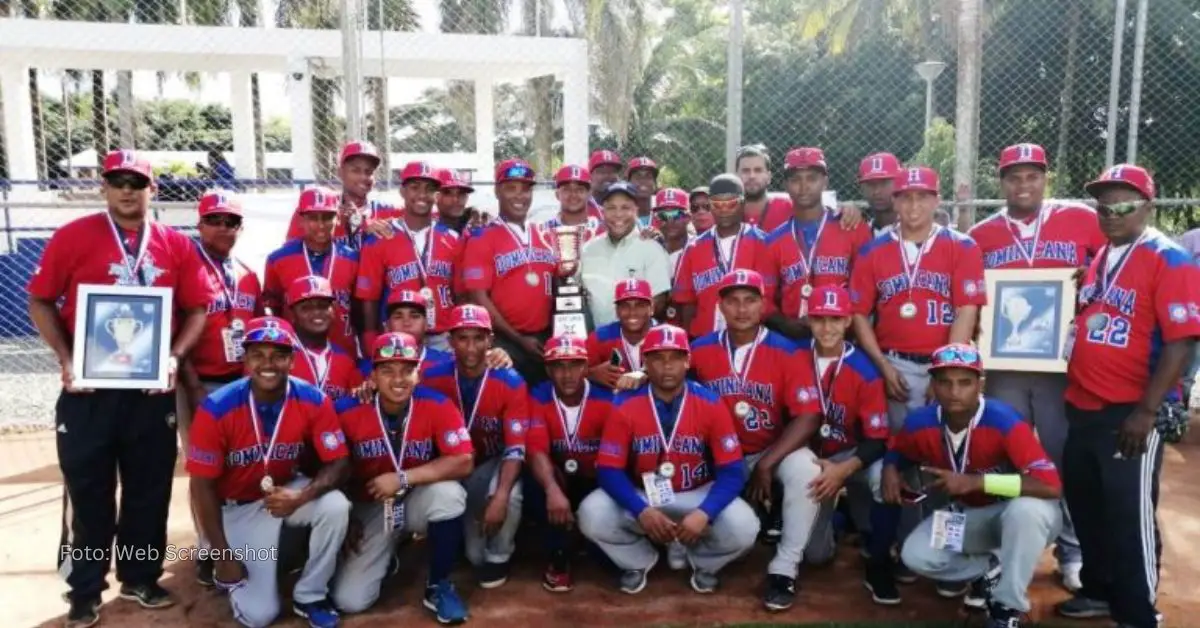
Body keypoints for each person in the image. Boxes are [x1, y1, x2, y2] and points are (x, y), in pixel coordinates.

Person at [28, 149, 211, 626]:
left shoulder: (174, 243)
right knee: (89, 489)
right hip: (88, 392)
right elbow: (41, 300)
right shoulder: (73, 237)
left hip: (150, 393)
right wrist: (68, 360)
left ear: (153, 190)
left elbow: (197, 308)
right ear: (104, 188)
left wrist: (172, 357)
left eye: (138, 182)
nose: (128, 190)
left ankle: (141, 576)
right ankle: (85, 589)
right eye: (118, 181)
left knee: (148, 488)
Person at [1056, 165, 1200, 628]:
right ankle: (1098, 588)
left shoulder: (1169, 258)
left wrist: (1147, 410)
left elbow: (1182, 340)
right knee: (1086, 503)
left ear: (1147, 207)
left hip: (1130, 412)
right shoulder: (1103, 256)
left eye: (1123, 204)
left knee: (1127, 512)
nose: (1111, 213)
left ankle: (1138, 611)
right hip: (1083, 405)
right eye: (1104, 205)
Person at [966, 143, 1105, 591]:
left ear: (1046, 177)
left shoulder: (1082, 219)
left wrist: (1093, 278)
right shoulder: (982, 235)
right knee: (1005, 454)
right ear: (1001, 181)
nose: (1023, 184)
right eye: (1014, 176)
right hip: (1005, 367)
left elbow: (1113, 269)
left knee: (1064, 456)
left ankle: (1073, 550)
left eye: (1032, 175)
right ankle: (1003, 547)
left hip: (1063, 366)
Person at [849, 166, 987, 598]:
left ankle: (944, 558)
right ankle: (885, 556)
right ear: (894, 200)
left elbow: (967, 307)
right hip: (894, 365)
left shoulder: (961, 246)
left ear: (935, 200)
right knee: (896, 462)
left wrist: (947, 368)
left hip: (947, 367)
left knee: (950, 462)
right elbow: (858, 314)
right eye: (905, 198)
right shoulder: (874, 251)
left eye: (921, 197)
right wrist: (883, 367)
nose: (912, 206)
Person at [186, 316, 351, 628]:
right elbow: (202, 486)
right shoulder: (216, 407)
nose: (268, 363)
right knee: (259, 616)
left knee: (336, 505)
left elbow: (339, 461)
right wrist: (223, 555)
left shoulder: (313, 399)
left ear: (291, 359)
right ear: (245, 359)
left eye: (278, 355)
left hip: (285, 493)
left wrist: (302, 496)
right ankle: (229, 559)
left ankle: (311, 593)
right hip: (236, 509)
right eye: (258, 354)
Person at [885, 343, 1064, 628]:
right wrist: (890, 468)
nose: (955, 392)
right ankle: (990, 569)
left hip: (1014, 515)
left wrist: (976, 481)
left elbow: (1051, 485)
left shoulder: (1004, 420)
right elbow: (899, 449)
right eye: (945, 383)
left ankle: (1007, 607)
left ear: (981, 383)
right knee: (915, 555)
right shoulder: (921, 421)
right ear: (933, 384)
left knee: (1026, 512)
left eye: (965, 382)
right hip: (968, 517)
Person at [579, 324, 759, 594]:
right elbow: (608, 469)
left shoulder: (710, 402)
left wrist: (704, 513)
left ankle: (701, 561)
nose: (667, 367)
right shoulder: (625, 403)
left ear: (687, 361)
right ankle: (638, 560)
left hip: (696, 493)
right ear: (645, 364)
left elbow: (733, 471)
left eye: (675, 358)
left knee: (745, 527)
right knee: (591, 513)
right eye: (658, 358)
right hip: (646, 494)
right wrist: (641, 509)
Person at [689, 270, 827, 610]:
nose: (741, 309)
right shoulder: (700, 349)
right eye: (733, 301)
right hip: (717, 455)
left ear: (763, 305)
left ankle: (784, 568)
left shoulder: (787, 350)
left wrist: (768, 462)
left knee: (807, 469)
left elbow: (809, 415)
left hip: (769, 448)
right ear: (720, 305)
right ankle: (707, 547)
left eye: (750, 300)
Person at [330, 332, 473, 623]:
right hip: (369, 508)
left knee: (449, 494)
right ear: (373, 376)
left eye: (407, 370)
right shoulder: (347, 410)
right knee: (351, 600)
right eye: (388, 370)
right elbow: (324, 468)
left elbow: (463, 460)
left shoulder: (436, 404)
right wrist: (343, 516)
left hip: (412, 499)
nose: (398, 379)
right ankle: (390, 551)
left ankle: (438, 584)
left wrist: (403, 478)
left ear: (418, 374)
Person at [178, 190, 265, 587]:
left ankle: (235, 539)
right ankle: (207, 548)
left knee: (237, 462)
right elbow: (176, 333)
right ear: (200, 225)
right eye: (214, 220)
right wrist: (193, 384)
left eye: (231, 222)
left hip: (238, 383)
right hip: (198, 382)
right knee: (203, 467)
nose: (223, 228)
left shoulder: (247, 274)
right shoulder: (186, 268)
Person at [796, 285, 903, 605]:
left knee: (882, 478)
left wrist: (842, 471)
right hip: (810, 458)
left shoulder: (865, 369)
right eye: (819, 319)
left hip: (853, 455)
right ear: (808, 321)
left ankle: (880, 562)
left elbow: (877, 440)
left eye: (835, 319)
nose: (827, 328)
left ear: (847, 322)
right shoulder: (793, 357)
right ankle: (842, 519)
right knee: (815, 556)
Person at [421, 305, 529, 588]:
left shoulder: (510, 380)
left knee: (511, 496)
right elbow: (395, 387)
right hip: (454, 467)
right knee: (472, 555)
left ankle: (500, 555)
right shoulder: (433, 377)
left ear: (490, 341)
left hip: (492, 464)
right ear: (450, 341)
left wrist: (501, 496)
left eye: (478, 338)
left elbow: (516, 448)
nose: (471, 347)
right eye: (463, 338)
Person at [525, 335, 616, 592]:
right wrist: (553, 490)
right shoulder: (539, 395)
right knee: (536, 481)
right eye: (559, 366)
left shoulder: (606, 399)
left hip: (595, 478)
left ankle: (590, 539)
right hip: (558, 478)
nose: (567, 374)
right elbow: (536, 450)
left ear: (586, 367)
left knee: (611, 566)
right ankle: (558, 557)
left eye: (575, 365)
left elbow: (615, 459)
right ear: (547, 370)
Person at [460, 158, 556, 384]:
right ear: (497, 191)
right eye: (510, 188)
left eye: (525, 189)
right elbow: (478, 296)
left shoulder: (545, 233)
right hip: (505, 341)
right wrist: (519, 339)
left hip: (544, 337)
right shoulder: (481, 237)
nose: (519, 196)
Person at [766, 147, 872, 341]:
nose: (804, 186)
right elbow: (766, 299)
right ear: (786, 185)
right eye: (796, 179)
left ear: (825, 182)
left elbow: (867, 289)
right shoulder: (773, 240)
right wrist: (786, 324)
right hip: (793, 339)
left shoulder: (851, 227)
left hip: (843, 337)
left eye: (812, 178)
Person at [357, 161, 463, 353]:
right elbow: (369, 298)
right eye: (414, 188)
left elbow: (460, 293)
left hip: (443, 337)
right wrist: (370, 340)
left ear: (437, 195)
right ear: (402, 191)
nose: (422, 195)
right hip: (398, 336)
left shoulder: (452, 238)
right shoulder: (380, 237)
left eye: (429, 189)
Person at [673, 174, 775, 338]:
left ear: (742, 204)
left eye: (731, 203)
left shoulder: (762, 242)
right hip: (705, 340)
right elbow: (687, 303)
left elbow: (769, 301)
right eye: (717, 204)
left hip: (751, 342)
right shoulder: (693, 248)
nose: (724, 210)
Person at [265, 187, 362, 357]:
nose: (321, 225)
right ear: (301, 220)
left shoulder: (353, 258)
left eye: (327, 217)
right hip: (295, 354)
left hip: (342, 352)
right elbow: (272, 306)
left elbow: (361, 308)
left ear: (337, 219)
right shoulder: (278, 259)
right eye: (313, 218)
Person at [580, 181, 673, 329]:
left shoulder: (652, 249)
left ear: (636, 210)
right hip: (596, 342)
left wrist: (625, 332)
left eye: (625, 208)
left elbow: (659, 301)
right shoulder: (587, 250)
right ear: (602, 211)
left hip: (636, 341)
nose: (618, 214)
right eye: (611, 208)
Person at [285, 141, 400, 248]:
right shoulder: (316, 208)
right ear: (340, 172)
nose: (363, 177)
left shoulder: (386, 211)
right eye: (355, 170)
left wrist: (363, 225)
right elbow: (289, 256)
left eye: (369, 172)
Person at [286, 276, 364, 400]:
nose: (316, 312)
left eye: (323, 306)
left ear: (333, 310)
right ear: (292, 314)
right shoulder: (281, 355)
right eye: (306, 307)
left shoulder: (345, 361)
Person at [586, 278, 656, 392]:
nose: (632, 312)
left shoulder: (666, 335)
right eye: (625, 306)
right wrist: (592, 373)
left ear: (652, 308)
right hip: (615, 404)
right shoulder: (601, 337)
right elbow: (572, 372)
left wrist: (645, 374)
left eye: (640, 305)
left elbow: (678, 371)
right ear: (617, 311)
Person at [734, 144, 792, 232]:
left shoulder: (789, 207)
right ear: (736, 177)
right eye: (745, 171)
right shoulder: (724, 210)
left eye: (758, 170)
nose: (752, 176)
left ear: (769, 177)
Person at [545, 164, 604, 241]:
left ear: (589, 194)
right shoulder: (544, 231)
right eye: (567, 189)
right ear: (557, 194)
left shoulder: (603, 230)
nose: (573, 195)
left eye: (580, 190)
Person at [857, 152, 902, 236]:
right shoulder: (858, 234)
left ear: (899, 184)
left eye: (884, 183)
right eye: (870, 184)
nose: (877, 191)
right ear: (862, 188)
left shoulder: (920, 232)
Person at [654, 187, 692, 269]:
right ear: (656, 219)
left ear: (688, 218)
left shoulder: (698, 248)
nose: (670, 221)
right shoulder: (650, 248)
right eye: (664, 215)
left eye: (676, 214)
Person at [433, 168, 476, 235]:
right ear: (436, 197)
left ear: (466, 198)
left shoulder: (471, 236)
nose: (455, 199)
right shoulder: (425, 236)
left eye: (461, 193)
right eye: (447, 193)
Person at [626, 156, 659, 227]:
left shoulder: (663, 215)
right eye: (638, 177)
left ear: (655, 184)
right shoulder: (620, 215)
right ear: (628, 183)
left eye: (648, 176)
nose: (643, 181)